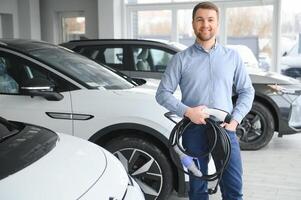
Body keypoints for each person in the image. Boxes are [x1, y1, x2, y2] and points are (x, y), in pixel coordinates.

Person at [156, 2, 255, 200]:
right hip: (193, 130)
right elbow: (162, 93)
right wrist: (187, 111)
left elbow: (247, 91)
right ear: (193, 24)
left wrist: (235, 120)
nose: (205, 24)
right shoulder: (180, 59)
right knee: (197, 187)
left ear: (217, 24)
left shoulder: (232, 57)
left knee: (234, 187)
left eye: (210, 20)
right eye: (200, 20)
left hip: (226, 129)